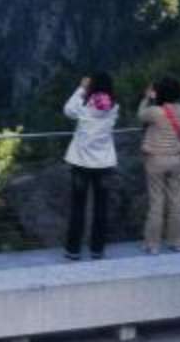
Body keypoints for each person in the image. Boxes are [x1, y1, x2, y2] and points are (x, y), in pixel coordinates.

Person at [61, 72, 117, 261]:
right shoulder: (114, 107)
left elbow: (67, 110)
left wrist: (81, 88)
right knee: (101, 208)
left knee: (78, 207)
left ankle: (73, 250)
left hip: (81, 164)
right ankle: (97, 250)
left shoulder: (82, 106)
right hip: (104, 164)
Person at [137, 76, 180, 254]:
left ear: (158, 92)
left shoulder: (153, 112)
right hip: (176, 159)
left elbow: (140, 115)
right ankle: (177, 242)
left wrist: (147, 98)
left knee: (157, 202)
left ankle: (153, 245)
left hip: (156, 160)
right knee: (176, 201)